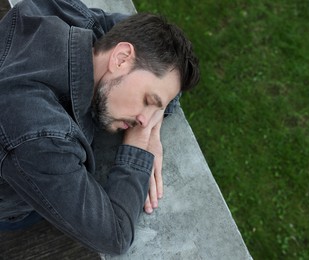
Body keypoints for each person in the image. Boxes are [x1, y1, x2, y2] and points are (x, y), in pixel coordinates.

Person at [0, 0, 199, 254]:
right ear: (121, 59)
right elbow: (114, 237)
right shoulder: (39, 134)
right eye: (149, 101)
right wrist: (140, 144)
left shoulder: (75, 21)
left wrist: (154, 122)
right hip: (16, 209)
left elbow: (164, 63)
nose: (144, 121)